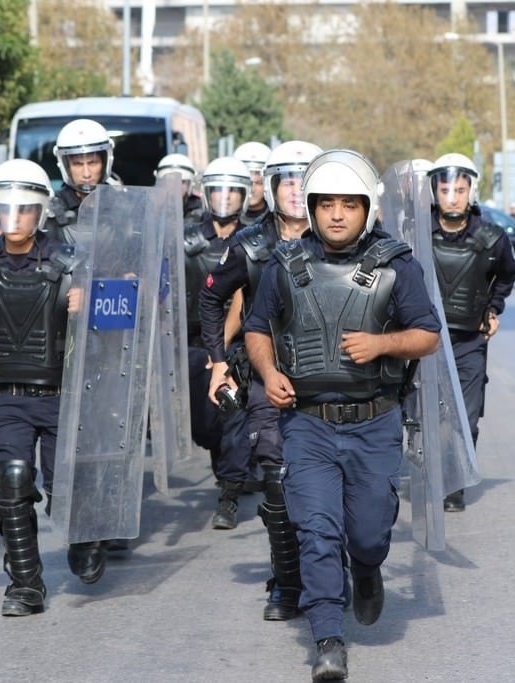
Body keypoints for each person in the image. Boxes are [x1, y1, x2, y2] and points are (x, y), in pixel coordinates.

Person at [244, 149, 441, 680]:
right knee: (317, 530)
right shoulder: (284, 265)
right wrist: (268, 375)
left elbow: (427, 335)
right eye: (325, 203)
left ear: (367, 209)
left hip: (375, 420)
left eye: (347, 204)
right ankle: (328, 639)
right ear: (309, 208)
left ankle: (369, 569)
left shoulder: (398, 264)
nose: (335, 214)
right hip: (307, 422)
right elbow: (258, 328)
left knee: (370, 533)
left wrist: (381, 344)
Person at [0, 158, 93, 618]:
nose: (13, 218)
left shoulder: (71, 261)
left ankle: (85, 535)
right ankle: (25, 585)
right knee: (11, 481)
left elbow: (109, 326)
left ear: (40, 211)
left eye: (23, 209)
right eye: (4, 208)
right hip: (7, 397)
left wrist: (84, 305)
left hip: (60, 395)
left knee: (67, 489)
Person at [198, 140, 322, 620]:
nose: (295, 190)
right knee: (277, 478)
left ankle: (341, 566)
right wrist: (218, 363)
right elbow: (211, 299)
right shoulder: (249, 244)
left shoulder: (348, 235)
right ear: (269, 188)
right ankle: (287, 582)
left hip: (336, 380)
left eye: (304, 179)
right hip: (267, 377)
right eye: (286, 180)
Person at [428, 153, 515, 511]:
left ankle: (455, 484)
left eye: (460, 190)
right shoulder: (416, 233)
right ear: (434, 191)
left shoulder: (492, 238)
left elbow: (508, 274)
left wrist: (493, 308)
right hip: (424, 340)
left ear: (471, 192)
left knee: (465, 416)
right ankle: (429, 473)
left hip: (468, 341)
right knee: (426, 415)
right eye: (446, 189)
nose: (452, 197)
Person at [183, 157, 253, 530]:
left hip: (240, 344)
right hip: (194, 344)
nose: (224, 198)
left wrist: (221, 352)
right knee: (207, 425)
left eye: (233, 191)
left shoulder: (253, 240)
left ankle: (229, 492)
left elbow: (244, 299)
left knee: (234, 414)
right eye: (217, 190)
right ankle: (226, 467)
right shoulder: (185, 238)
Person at [42, 118, 116, 244]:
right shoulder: (50, 210)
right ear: (65, 166)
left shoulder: (124, 205)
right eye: (77, 164)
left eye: (93, 163)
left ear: (105, 163)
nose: (86, 174)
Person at [155, 152, 202, 220]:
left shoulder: (197, 211)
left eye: (182, 182)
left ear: (189, 186)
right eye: (170, 181)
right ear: (161, 183)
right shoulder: (150, 207)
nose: (176, 186)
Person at [233, 141, 271, 225]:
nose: (252, 189)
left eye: (259, 183)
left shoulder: (277, 220)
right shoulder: (226, 217)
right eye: (247, 183)